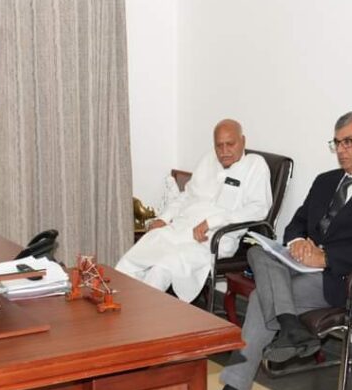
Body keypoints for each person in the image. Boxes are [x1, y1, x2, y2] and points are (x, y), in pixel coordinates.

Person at [207, 111, 352, 390]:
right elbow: (297, 223)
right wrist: (298, 242)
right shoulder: (326, 181)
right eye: (337, 142)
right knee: (258, 252)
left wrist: (326, 257)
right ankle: (290, 326)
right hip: (300, 264)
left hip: (345, 277)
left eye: (348, 142)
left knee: (262, 298)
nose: (341, 149)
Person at [116, 119, 272, 303]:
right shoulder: (208, 160)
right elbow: (187, 195)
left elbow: (258, 209)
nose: (224, 151)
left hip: (210, 239)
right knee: (138, 253)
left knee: (162, 267)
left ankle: (142, 313)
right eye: (219, 145)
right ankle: (116, 301)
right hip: (180, 228)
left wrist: (211, 222)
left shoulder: (255, 165)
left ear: (243, 141)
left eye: (230, 144)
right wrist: (164, 218)